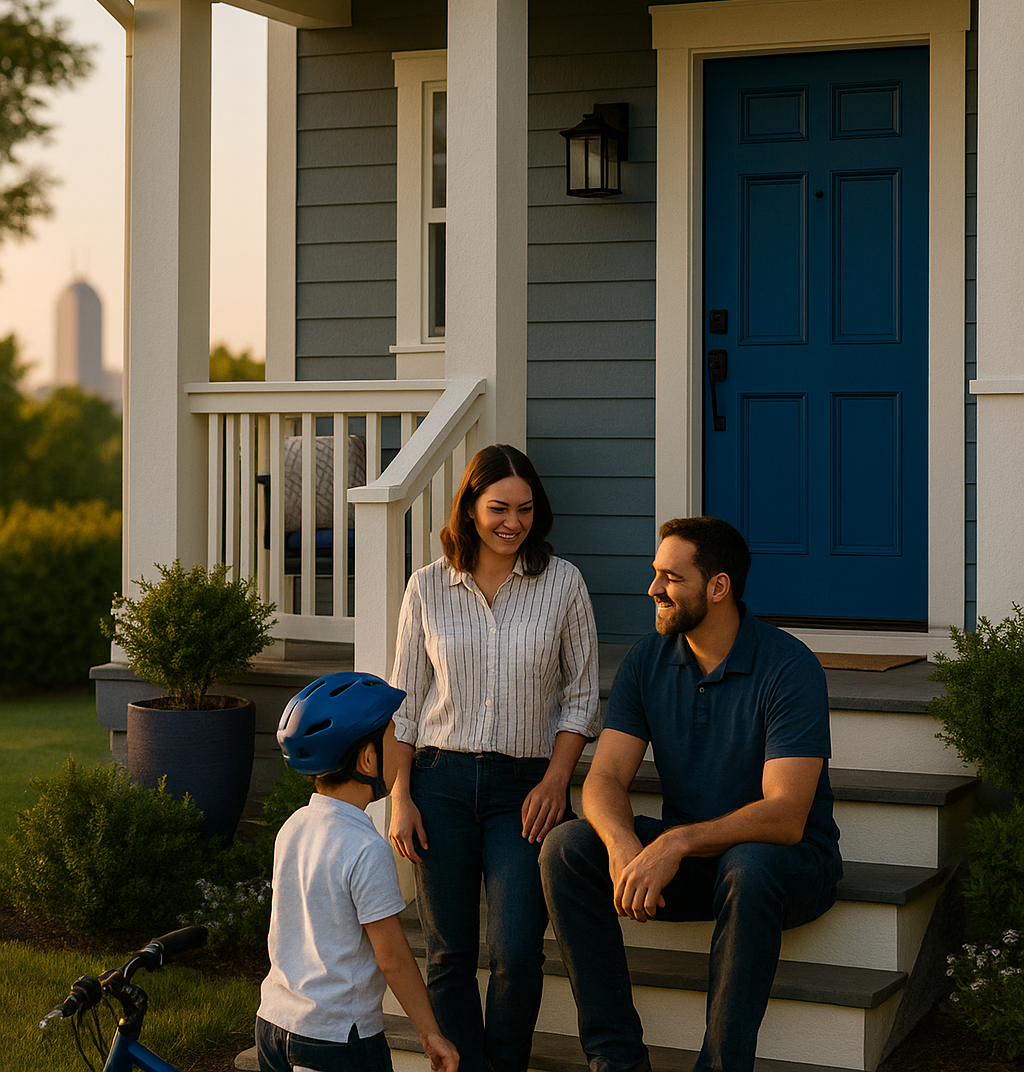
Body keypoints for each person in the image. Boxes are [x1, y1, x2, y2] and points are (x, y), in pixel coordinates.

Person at [540, 516, 842, 1072]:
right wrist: (624, 846)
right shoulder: (646, 661)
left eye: (671, 578)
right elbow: (604, 779)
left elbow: (786, 816)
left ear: (718, 587)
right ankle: (616, 1060)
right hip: (697, 866)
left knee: (749, 864)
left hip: (788, 869)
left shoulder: (788, 666)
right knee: (566, 848)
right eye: (656, 574)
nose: (653, 589)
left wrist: (674, 844)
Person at [388, 443, 601, 1072]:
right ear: (470, 509)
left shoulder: (562, 583)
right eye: (499, 508)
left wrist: (557, 780)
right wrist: (399, 797)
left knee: (516, 951)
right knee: (449, 954)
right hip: (438, 783)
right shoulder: (427, 586)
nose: (513, 523)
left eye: (526, 509)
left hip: (524, 790)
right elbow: (402, 706)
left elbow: (582, 697)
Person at [256, 671, 460, 1072]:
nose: (399, 741)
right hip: (336, 1038)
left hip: (274, 1023)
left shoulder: (292, 826)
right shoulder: (365, 849)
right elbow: (393, 959)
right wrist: (429, 1032)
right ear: (368, 759)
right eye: (391, 735)